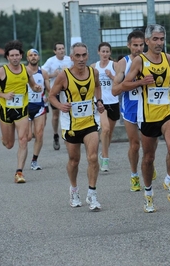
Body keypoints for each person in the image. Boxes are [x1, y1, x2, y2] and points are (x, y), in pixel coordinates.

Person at [121, 24, 170, 213]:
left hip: (167, 110)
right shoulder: (139, 61)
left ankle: (169, 180)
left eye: (162, 39)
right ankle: (148, 194)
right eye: (156, 39)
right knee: (148, 158)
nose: (159, 43)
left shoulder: (167, 58)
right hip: (148, 115)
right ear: (147, 41)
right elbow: (125, 84)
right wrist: (141, 82)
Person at [49, 42, 105, 211]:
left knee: (93, 157)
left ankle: (92, 193)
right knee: (74, 161)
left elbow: (97, 86)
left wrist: (99, 101)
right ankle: (74, 190)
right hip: (71, 124)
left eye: (84, 55)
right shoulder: (64, 76)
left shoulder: (93, 72)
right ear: (71, 57)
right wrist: (60, 106)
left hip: (90, 122)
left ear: (88, 56)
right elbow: (51, 96)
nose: (81, 59)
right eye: (77, 56)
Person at [0, 40, 41, 183]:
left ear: (21, 56)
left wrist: (36, 88)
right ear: (7, 57)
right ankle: (4, 138)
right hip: (6, 110)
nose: (15, 58)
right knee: (9, 144)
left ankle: (19, 173)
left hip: (22, 110)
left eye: (17, 55)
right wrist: (4, 95)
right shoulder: (2, 71)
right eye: (12, 55)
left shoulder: (26, 70)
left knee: (23, 140)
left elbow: (33, 84)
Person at [112, 30, 157, 192]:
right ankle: (134, 175)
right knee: (135, 145)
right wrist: (139, 82)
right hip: (131, 108)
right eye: (135, 45)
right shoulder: (123, 63)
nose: (138, 48)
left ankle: (149, 162)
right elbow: (115, 90)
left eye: (141, 45)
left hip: (150, 107)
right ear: (129, 45)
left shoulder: (151, 59)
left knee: (151, 143)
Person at [90, 42, 119, 172]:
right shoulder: (93, 67)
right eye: (103, 51)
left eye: (107, 52)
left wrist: (111, 76)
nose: (105, 54)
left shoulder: (114, 65)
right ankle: (105, 159)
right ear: (98, 52)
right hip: (100, 102)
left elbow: (121, 82)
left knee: (109, 133)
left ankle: (103, 153)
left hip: (113, 101)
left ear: (110, 53)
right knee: (105, 129)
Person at [42, 42, 73, 151]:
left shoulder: (69, 60)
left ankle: (70, 135)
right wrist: (53, 75)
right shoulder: (51, 61)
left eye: (63, 48)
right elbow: (42, 73)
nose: (61, 50)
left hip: (67, 92)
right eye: (59, 49)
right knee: (56, 115)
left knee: (69, 113)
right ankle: (56, 134)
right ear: (55, 51)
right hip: (55, 92)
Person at [26, 49, 50, 170]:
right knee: (29, 136)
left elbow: (49, 89)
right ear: (27, 58)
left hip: (39, 106)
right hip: (25, 107)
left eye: (35, 55)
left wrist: (48, 97)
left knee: (39, 134)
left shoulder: (43, 73)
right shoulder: (23, 71)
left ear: (38, 57)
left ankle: (34, 160)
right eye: (31, 55)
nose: (33, 57)